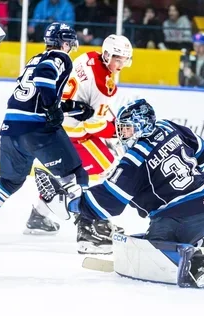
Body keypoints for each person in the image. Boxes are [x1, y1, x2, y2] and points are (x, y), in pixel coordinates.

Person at [35, 99, 204, 287]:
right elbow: (202, 151)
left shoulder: (135, 159)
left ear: (140, 125)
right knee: (167, 227)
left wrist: (73, 204)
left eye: (126, 128)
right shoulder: (168, 126)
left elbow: (110, 200)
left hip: (185, 218)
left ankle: (197, 261)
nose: (122, 134)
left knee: (154, 243)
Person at [0, 22, 92, 242]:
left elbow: (37, 95)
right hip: (37, 129)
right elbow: (44, 80)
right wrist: (52, 109)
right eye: (69, 43)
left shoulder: (33, 60)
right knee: (77, 174)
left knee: (10, 181)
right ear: (64, 42)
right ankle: (89, 226)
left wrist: (71, 108)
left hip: (11, 128)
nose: (71, 47)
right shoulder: (60, 57)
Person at [23, 34, 133, 255]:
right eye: (118, 59)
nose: (120, 65)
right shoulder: (106, 85)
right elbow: (93, 126)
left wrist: (107, 124)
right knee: (109, 167)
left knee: (77, 172)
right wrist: (117, 131)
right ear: (108, 54)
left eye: (124, 60)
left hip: (56, 125)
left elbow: (88, 104)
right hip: (73, 132)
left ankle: (39, 214)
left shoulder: (89, 57)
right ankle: (96, 220)